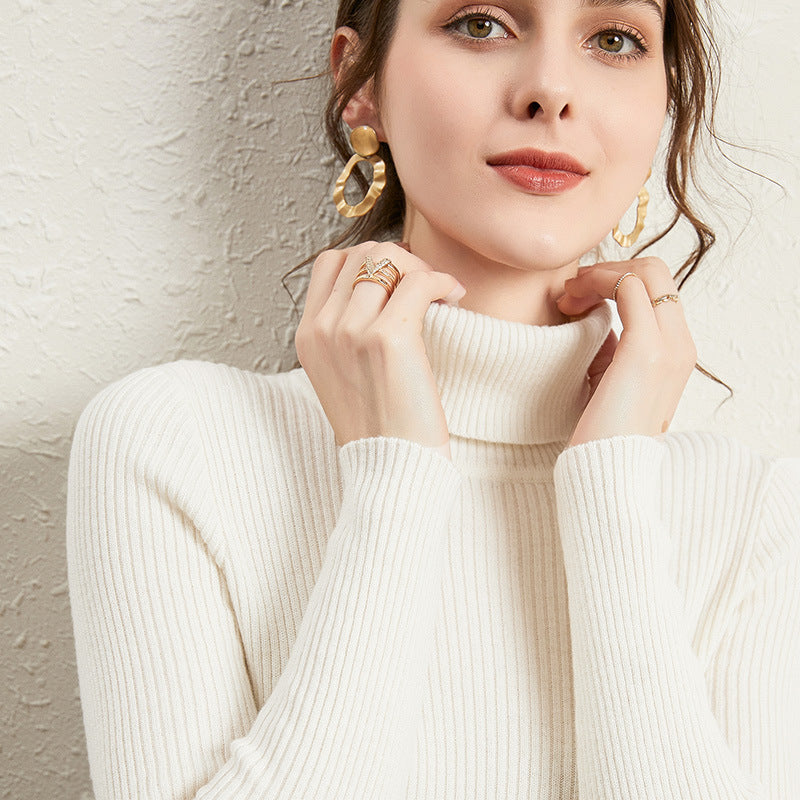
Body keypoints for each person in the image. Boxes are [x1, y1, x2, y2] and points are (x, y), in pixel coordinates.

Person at [66, 0, 799, 797]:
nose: (550, 91)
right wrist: (394, 477)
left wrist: (613, 488)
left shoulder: (754, 512)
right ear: (359, 80)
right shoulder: (175, 448)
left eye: (615, 39)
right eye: (481, 23)